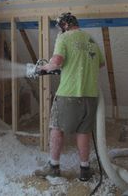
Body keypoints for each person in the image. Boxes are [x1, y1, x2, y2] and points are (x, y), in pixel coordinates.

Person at [34, 12, 105, 181]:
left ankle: (53, 167)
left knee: (57, 128)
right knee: (84, 132)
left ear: (65, 25)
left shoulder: (64, 38)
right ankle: (85, 169)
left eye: (60, 28)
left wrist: (42, 69)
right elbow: (100, 64)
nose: (60, 31)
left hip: (68, 95)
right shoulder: (91, 40)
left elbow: (57, 62)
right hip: (91, 96)